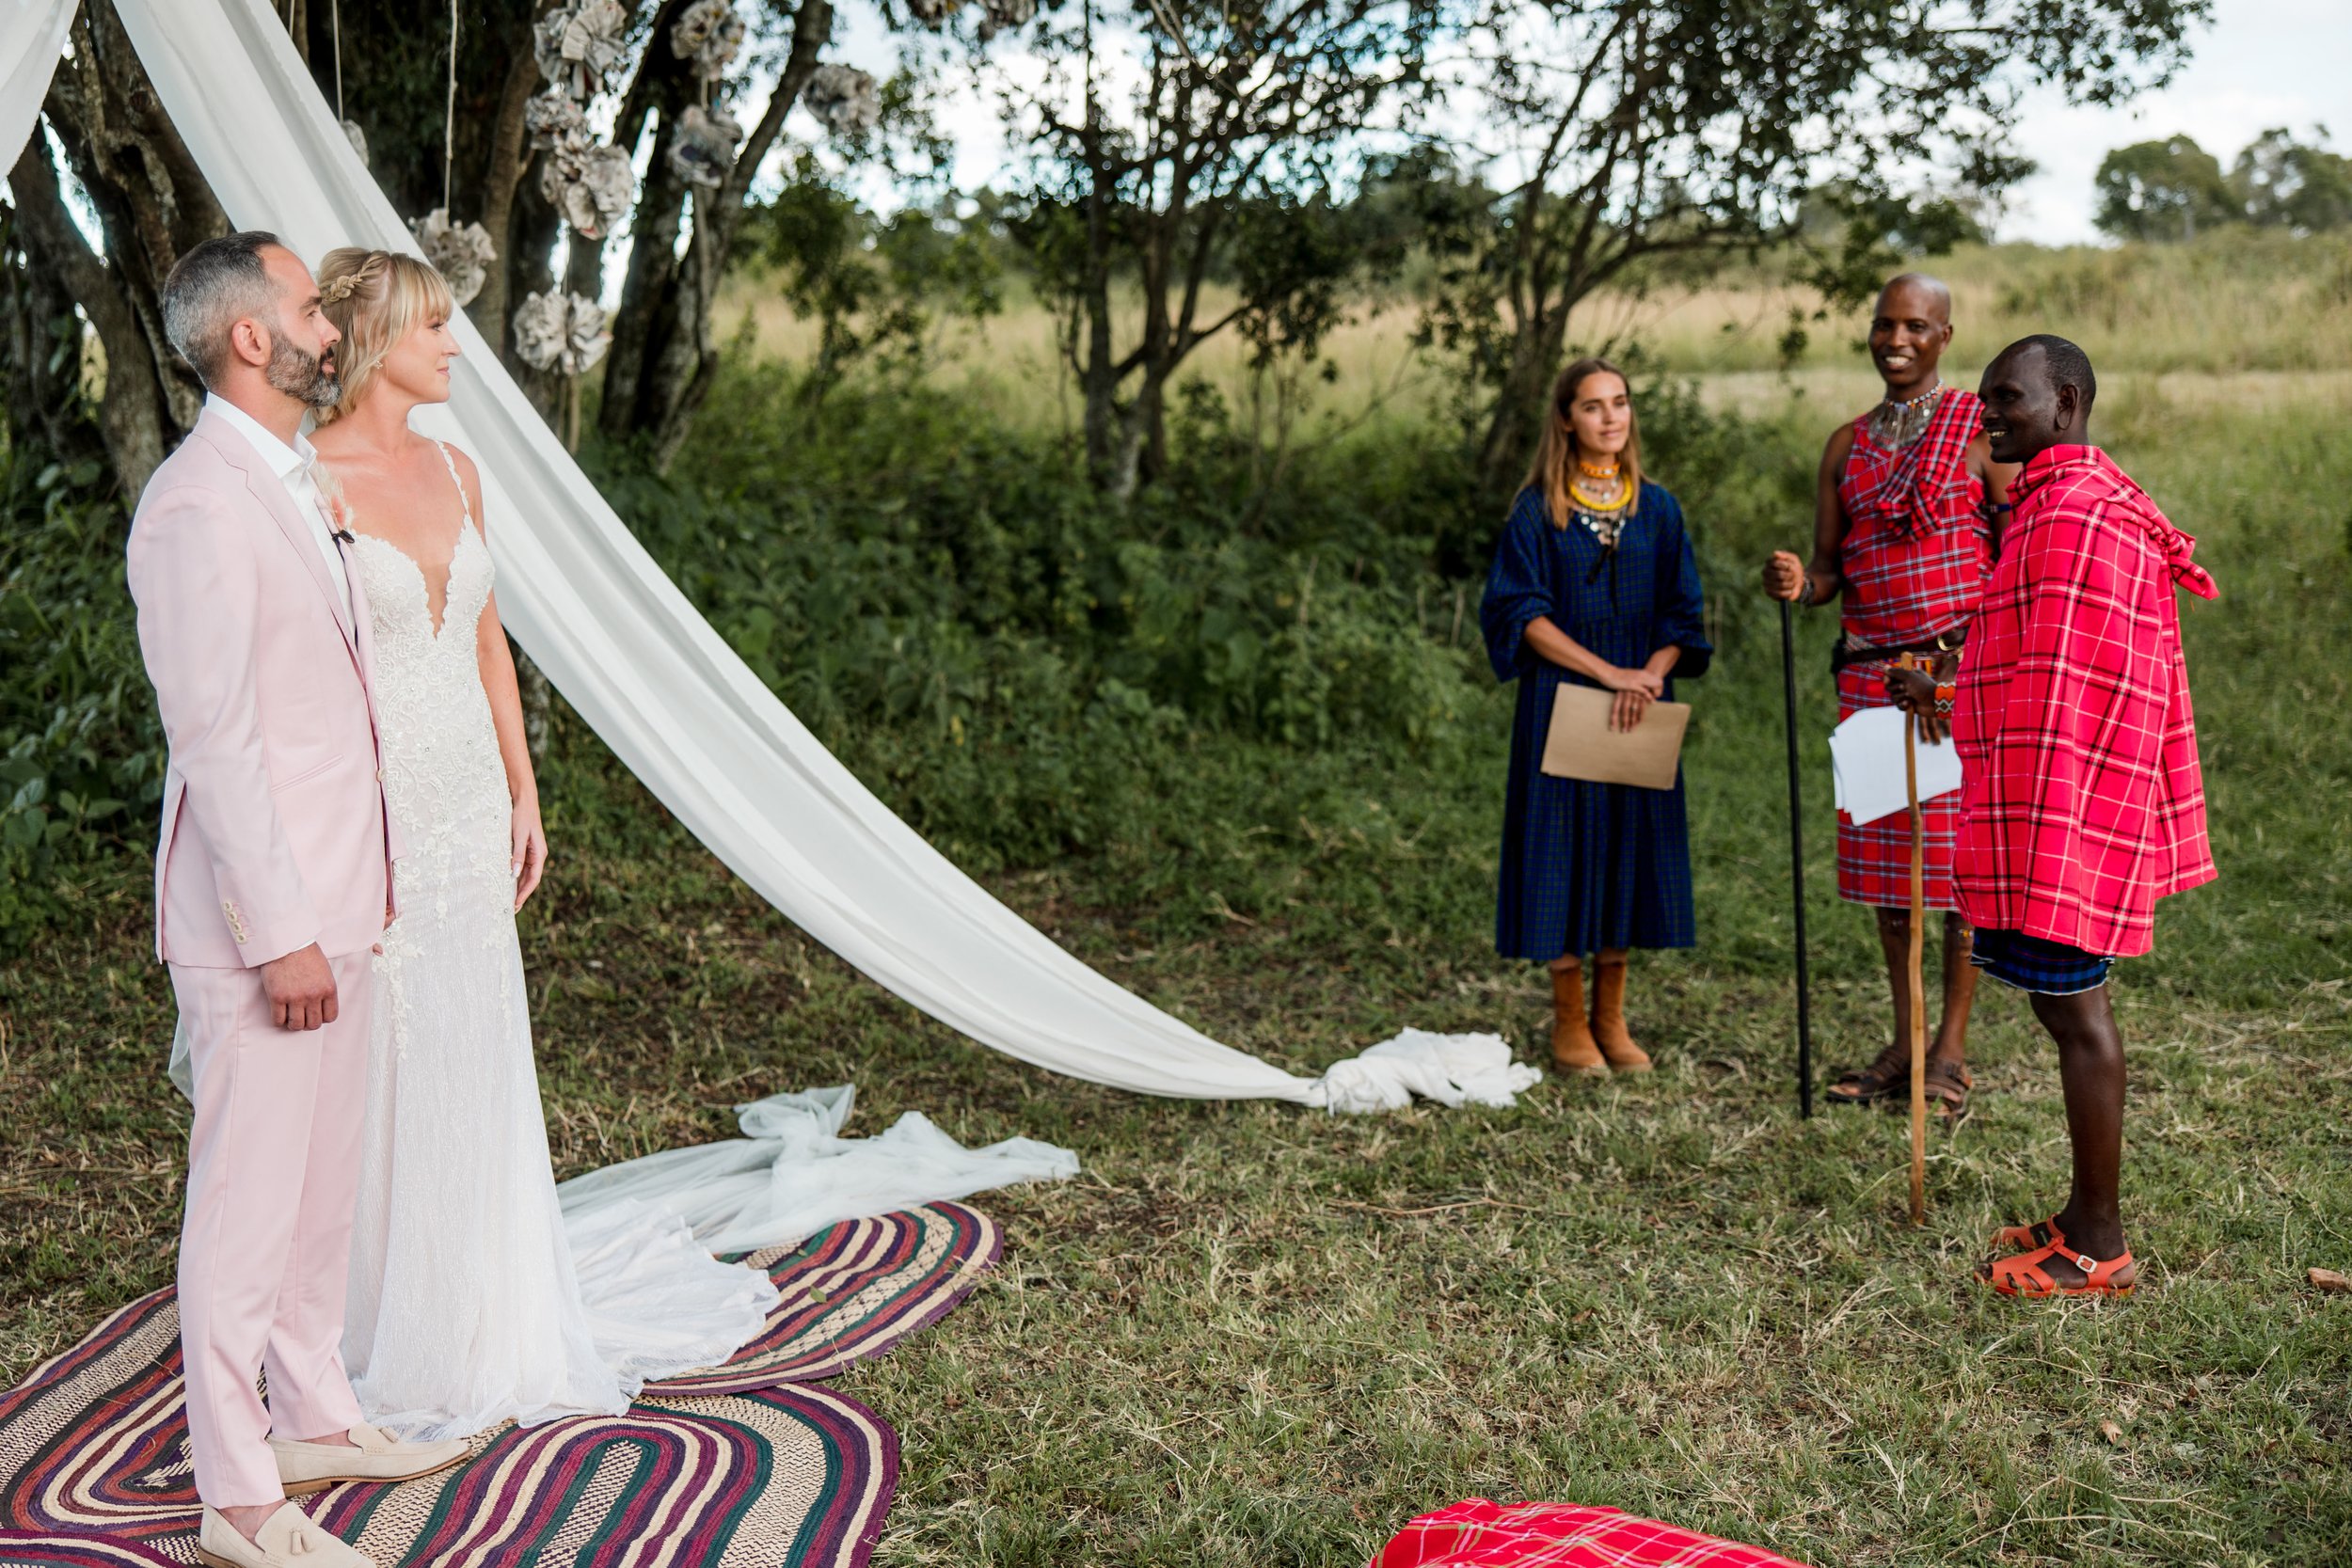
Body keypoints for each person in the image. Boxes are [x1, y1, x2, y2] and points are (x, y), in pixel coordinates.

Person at [303, 249, 779, 1439]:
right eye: (437, 327)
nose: (457, 346)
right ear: (375, 341)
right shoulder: (307, 483)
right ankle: (368, 1312)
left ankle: (482, 1298)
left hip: (465, 798)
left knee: (467, 1038)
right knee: (383, 1052)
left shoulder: (460, 471)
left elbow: (487, 644)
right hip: (371, 807)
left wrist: (524, 790)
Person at [131, 231, 468, 1568]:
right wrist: (279, 937)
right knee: (247, 1206)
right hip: (262, 928)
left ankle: (315, 1410)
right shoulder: (194, 505)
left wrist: (350, 903)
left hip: (346, 897)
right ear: (253, 340)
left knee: (321, 1189)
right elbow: (218, 745)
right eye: (306, 306)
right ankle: (238, 1498)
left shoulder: (287, 479)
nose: (331, 323)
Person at [1892, 334, 2217, 1297]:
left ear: (2065, 402)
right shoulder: (2056, 502)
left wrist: (1957, 691)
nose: (1987, 414)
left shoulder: (2076, 515)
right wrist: (1946, 682)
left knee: (2077, 1011)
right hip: (2053, 793)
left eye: (2009, 398)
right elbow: (2022, 650)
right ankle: (2079, 1215)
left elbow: (2086, 680)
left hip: (2069, 800)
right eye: (1987, 398)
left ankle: (2099, 1243)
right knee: (2056, 1000)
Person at [1760, 273, 2014, 1122]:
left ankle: (1950, 1049)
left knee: (1953, 873)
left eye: (1915, 324)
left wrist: (1989, 666)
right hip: (1870, 678)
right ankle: (1904, 1038)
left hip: (1952, 678)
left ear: (1946, 334)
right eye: (1882, 324)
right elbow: (1831, 572)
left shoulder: (1980, 431)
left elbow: (2016, 560)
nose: (1895, 338)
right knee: (1888, 877)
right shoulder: (1847, 445)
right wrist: (1800, 580)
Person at [1481, 358, 1711, 1077]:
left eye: (1620, 402)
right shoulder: (1536, 510)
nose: (1611, 417)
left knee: (1626, 847)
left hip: (1641, 700)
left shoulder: (1659, 508)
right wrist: (1606, 671)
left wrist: (1650, 673)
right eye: (1592, 406)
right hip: (1564, 699)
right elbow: (1520, 612)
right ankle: (1570, 1021)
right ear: (1565, 419)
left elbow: (1684, 613)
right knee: (1561, 849)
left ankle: (1613, 1017)